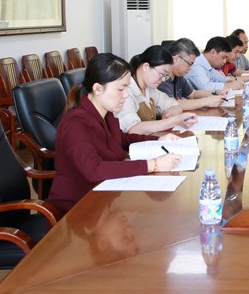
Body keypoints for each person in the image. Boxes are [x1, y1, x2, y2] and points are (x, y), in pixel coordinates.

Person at [48, 53, 182, 215]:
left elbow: (122, 139)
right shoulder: (75, 124)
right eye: (120, 89)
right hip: (76, 210)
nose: (126, 95)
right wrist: (153, 164)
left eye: (127, 88)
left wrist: (159, 139)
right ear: (98, 89)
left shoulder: (106, 113)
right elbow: (94, 170)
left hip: (106, 197)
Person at [114, 45, 199, 135]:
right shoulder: (126, 90)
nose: (163, 79)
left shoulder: (149, 89)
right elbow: (133, 129)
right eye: (161, 74)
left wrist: (170, 112)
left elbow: (174, 104)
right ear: (146, 67)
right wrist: (174, 121)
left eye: (166, 76)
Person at [158, 38, 226, 108]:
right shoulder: (161, 78)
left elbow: (193, 94)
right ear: (177, 59)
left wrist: (216, 93)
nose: (190, 68)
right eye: (190, 64)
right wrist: (207, 101)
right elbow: (171, 104)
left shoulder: (178, 76)